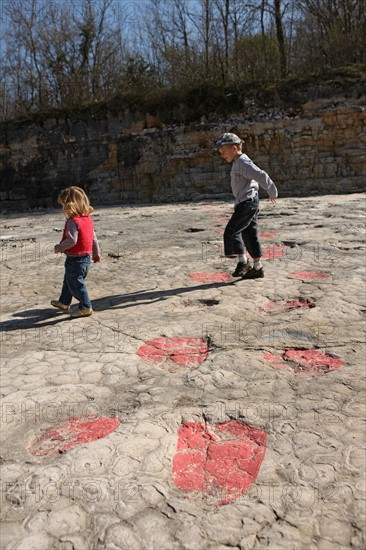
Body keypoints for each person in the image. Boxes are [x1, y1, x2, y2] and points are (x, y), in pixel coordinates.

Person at [215, 133, 278, 279]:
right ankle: (257, 267)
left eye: (223, 152)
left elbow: (260, 175)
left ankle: (243, 262)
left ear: (234, 148)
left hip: (247, 203)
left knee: (232, 231)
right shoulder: (239, 162)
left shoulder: (243, 162)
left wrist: (272, 191)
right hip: (248, 202)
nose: (222, 155)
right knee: (249, 234)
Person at [52, 186, 101, 317]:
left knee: (77, 284)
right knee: (69, 280)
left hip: (75, 259)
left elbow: (72, 240)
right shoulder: (88, 220)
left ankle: (85, 306)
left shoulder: (73, 222)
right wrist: (96, 253)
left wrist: (60, 247)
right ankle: (64, 301)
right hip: (86, 258)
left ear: (69, 206)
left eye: (63, 206)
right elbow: (94, 239)